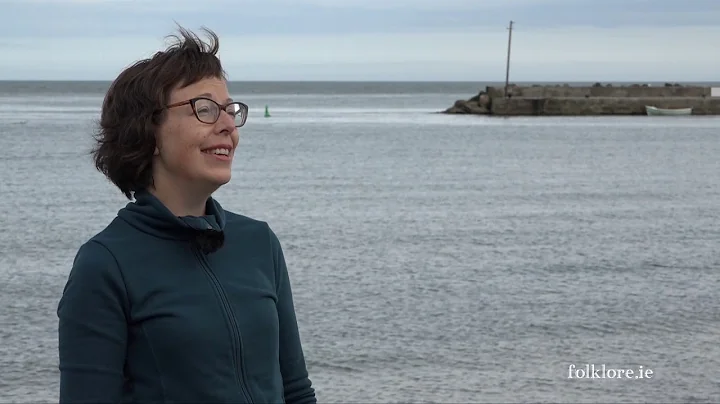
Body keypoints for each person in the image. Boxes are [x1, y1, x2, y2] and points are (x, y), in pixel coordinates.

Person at [56, 26, 316, 404]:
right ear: (149, 132)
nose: (228, 125)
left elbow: (294, 390)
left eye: (230, 110)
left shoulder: (258, 243)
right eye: (205, 109)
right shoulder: (106, 264)